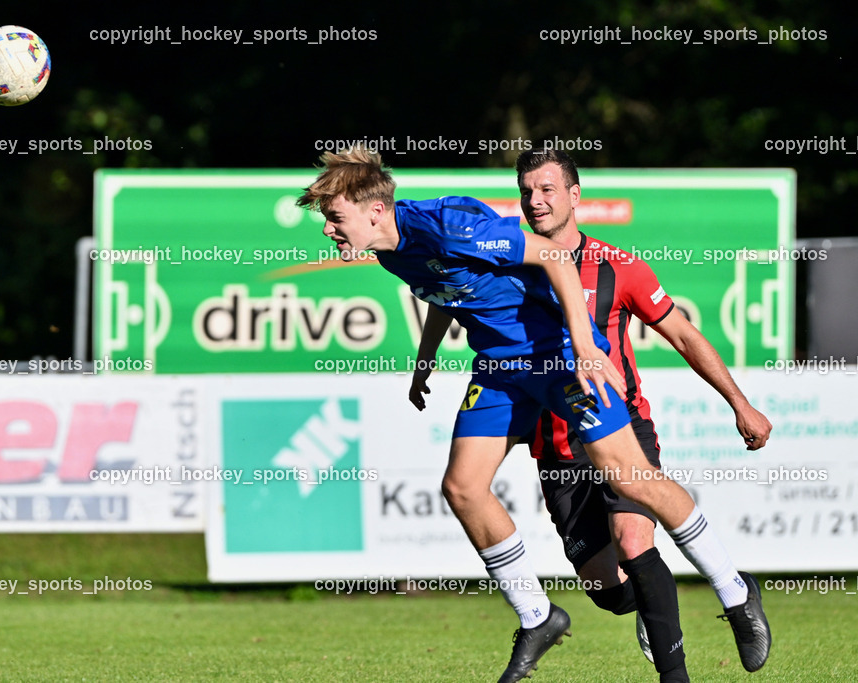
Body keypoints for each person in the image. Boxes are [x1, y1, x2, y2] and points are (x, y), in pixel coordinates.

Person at [297, 147, 770, 682]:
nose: (329, 230)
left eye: (335, 218)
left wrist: (587, 348)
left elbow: (554, 258)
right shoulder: (388, 248)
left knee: (630, 478)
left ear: (376, 211)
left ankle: (734, 590)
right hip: (499, 367)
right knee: (463, 488)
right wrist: (426, 357)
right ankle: (538, 617)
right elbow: (447, 290)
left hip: (557, 355)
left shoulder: (448, 226)